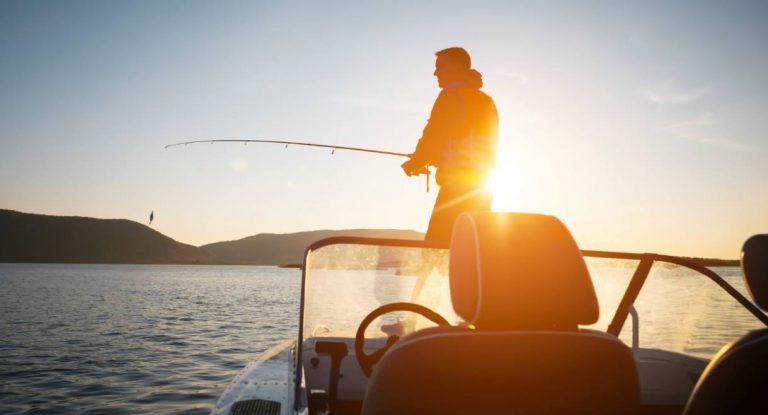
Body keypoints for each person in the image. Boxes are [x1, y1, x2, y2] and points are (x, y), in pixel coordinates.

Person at [401, 47, 499, 243]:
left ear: (456, 67)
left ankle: (428, 274)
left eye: (440, 66)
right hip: (482, 190)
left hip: (456, 189)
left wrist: (416, 162)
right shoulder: (486, 101)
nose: (435, 72)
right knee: (472, 249)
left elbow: (434, 134)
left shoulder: (451, 96)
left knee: (434, 249)